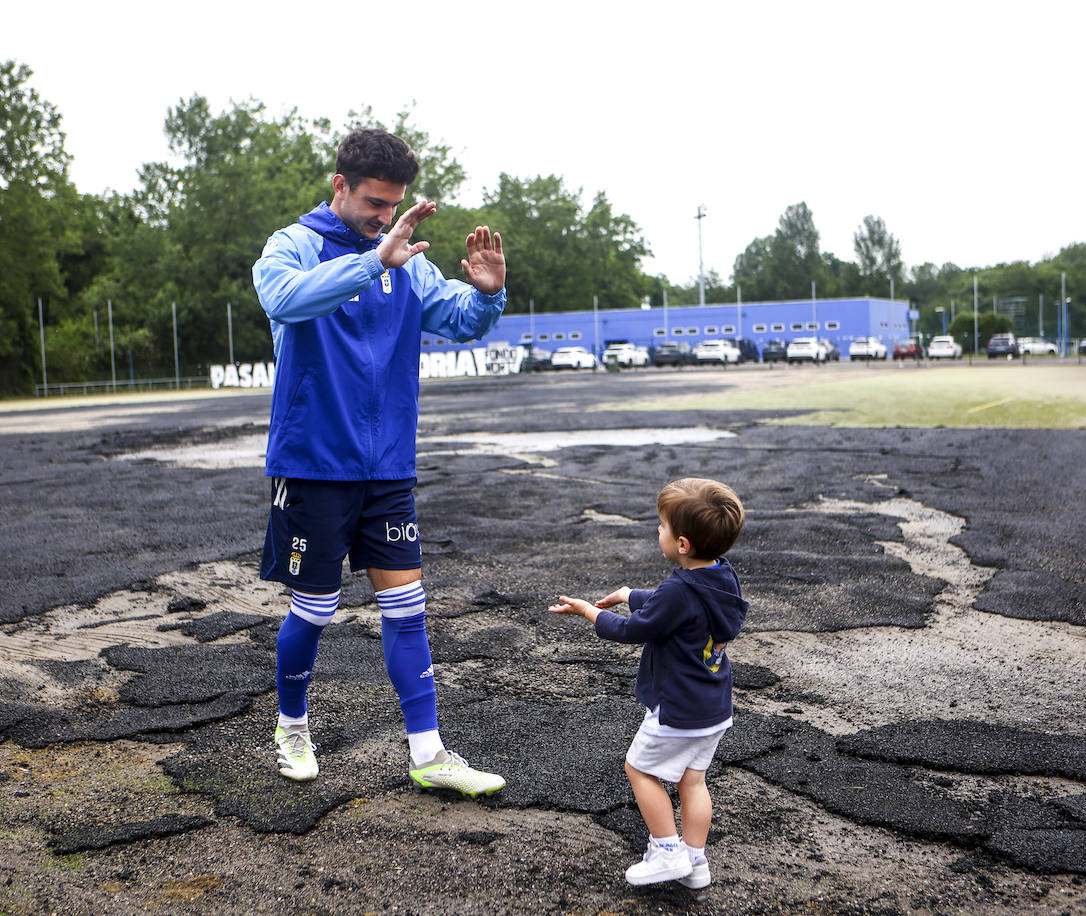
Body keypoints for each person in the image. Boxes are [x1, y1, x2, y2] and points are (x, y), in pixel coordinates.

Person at [252, 128, 508, 796]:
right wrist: (375, 262)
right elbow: (284, 299)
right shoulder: (293, 246)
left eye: (391, 205)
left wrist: (485, 295)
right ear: (339, 186)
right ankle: (292, 727)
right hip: (314, 464)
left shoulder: (407, 259)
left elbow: (457, 316)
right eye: (372, 203)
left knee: (407, 607)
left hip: (388, 466)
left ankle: (428, 753)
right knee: (315, 607)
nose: (382, 217)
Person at [548, 478, 748, 889]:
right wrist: (628, 593)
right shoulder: (723, 577)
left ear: (683, 545)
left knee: (639, 769)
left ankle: (666, 851)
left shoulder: (678, 589)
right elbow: (672, 604)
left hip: (678, 708)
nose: (657, 531)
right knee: (693, 780)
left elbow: (635, 630)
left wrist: (589, 611)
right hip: (713, 708)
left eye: (661, 526)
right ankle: (695, 862)